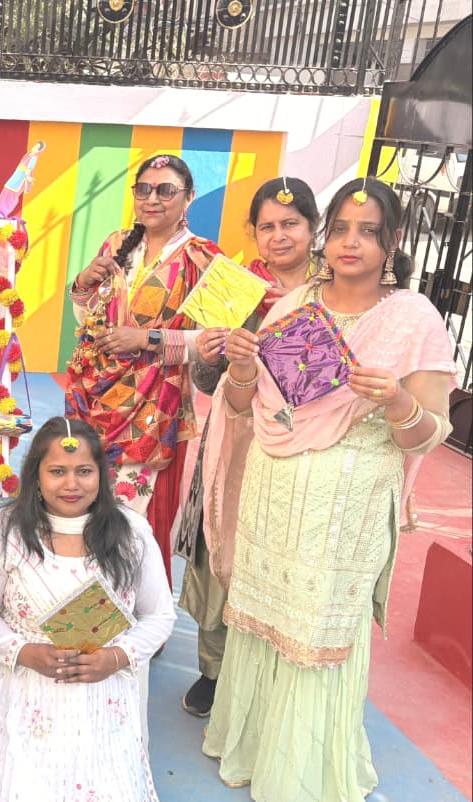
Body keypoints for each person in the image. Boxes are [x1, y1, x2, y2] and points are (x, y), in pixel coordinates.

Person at [201, 177, 456, 799]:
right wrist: (241, 368)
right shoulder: (294, 306)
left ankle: (301, 770)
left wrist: (396, 401)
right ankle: (252, 743)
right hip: (271, 494)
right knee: (264, 621)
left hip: (344, 511)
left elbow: (428, 435)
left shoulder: (412, 318)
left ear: (392, 241)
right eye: (340, 228)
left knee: (317, 630)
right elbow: (246, 407)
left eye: (368, 231)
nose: (350, 242)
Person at [0, 417, 174, 801]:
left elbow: (159, 616)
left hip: (104, 701)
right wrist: (24, 652)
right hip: (23, 697)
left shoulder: (131, 532)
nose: (71, 484)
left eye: (84, 471)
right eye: (57, 472)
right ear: (36, 475)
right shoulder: (8, 530)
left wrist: (116, 657)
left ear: (101, 474)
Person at [176, 175, 320, 718]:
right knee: (221, 549)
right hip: (233, 443)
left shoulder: (332, 294)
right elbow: (204, 382)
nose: (279, 236)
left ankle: (273, 672)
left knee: (280, 553)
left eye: (291, 224)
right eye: (267, 227)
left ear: (313, 228)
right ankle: (214, 670)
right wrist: (211, 352)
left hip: (302, 446)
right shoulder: (235, 287)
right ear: (254, 233)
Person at [65, 153, 228, 585]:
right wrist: (81, 285)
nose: (152, 199)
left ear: (188, 198)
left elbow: (213, 342)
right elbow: (88, 321)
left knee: (132, 518)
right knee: (81, 504)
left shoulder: (205, 259)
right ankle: (77, 597)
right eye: (144, 189)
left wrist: (146, 339)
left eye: (166, 190)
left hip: (154, 409)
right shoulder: (117, 244)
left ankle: (126, 607)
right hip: (95, 398)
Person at [0, 140, 45, 218]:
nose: (34, 147)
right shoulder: (28, 155)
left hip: (19, 180)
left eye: (37, 147)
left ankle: (4, 213)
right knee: (2, 196)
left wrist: (28, 177)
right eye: (35, 145)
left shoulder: (34, 158)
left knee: (11, 198)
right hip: (15, 177)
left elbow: (29, 169)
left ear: (39, 150)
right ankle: (1, 212)